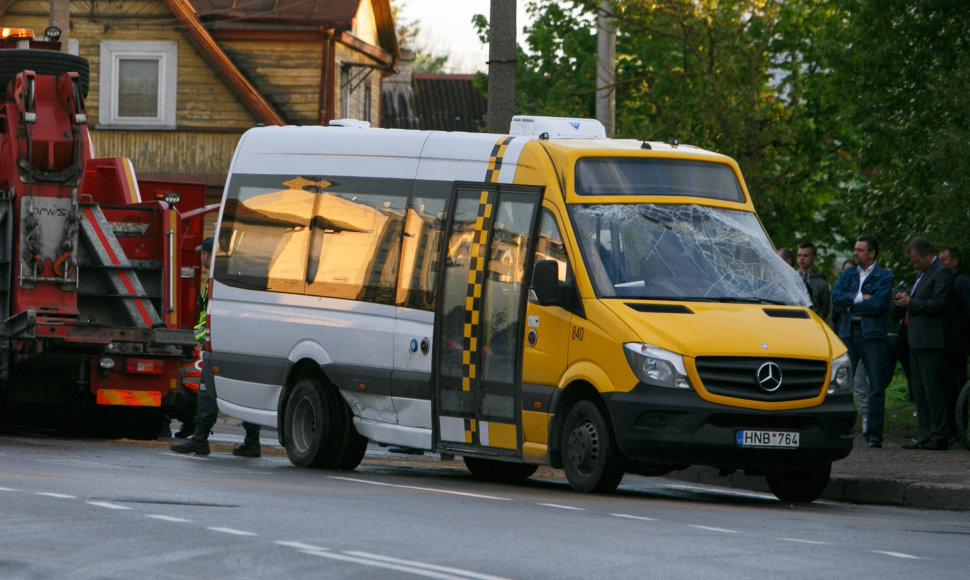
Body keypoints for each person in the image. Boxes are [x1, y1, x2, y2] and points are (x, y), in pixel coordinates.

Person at [170, 237, 263, 457]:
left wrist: (204, 337)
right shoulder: (233, 278)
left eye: (203, 253)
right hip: (238, 344)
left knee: (206, 390)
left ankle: (200, 438)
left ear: (210, 255)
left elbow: (213, 315)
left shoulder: (219, 281)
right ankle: (252, 442)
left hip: (221, 344)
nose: (201, 257)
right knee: (246, 393)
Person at [831, 234, 894, 448]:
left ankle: (873, 434)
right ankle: (841, 428)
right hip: (848, 332)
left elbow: (879, 304)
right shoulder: (848, 273)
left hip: (872, 335)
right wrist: (860, 298)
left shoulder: (884, 276)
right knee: (841, 383)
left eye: (860, 250)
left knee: (876, 385)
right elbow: (836, 298)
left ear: (871, 253)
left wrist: (850, 302)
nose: (855, 253)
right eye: (855, 249)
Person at [894, 237, 953, 450]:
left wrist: (912, 302)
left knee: (932, 389)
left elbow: (939, 303)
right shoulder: (924, 272)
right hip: (916, 339)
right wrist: (905, 299)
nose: (915, 265)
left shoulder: (941, 272)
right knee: (919, 390)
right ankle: (925, 433)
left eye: (917, 260)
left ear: (928, 255)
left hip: (931, 341)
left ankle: (939, 435)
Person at [939, 246, 970, 442]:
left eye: (944, 260)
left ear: (954, 261)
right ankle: (951, 426)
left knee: (957, 384)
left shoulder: (962, 282)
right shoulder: (949, 282)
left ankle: (959, 428)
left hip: (958, 343)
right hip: (948, 341)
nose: (940, 264)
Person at [796, 242, 831, 321]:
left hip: (813, 323)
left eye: (805, 256)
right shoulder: (789, 279)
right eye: (799, 255)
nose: (801, 258)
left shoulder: (822, 284)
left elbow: (824, 311)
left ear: (814, 258)